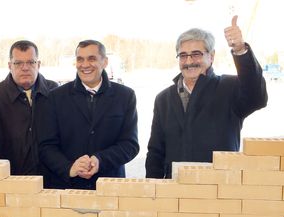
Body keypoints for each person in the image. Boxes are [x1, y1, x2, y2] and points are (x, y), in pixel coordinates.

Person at [145, 16, 268, 179]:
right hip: (174, 191)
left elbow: (257, 96)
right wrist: (154, 190)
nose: (189, 61)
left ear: (211, 56)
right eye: (183, 55)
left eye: (196, 54)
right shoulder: (164, 99)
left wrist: (240, 50)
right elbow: (156, 151)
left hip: (219, 189)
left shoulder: (230, 88)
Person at [37, 40, 139, 189]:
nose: (85, 65)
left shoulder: (125, 96)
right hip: (68, 186)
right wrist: (69, 167)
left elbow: (130, 145)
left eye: (91, 59)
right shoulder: (56, 97)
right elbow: (46, 146)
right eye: (80, 59)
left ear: (104, 62)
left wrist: (100, 160)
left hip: (110, 187)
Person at [0, 40, 58, 175]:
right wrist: (3, 174)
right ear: (10, 65)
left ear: (38, 65)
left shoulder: (54, 92)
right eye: (18, 63)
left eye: (30, 62)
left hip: (52, 180)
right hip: (12, 180)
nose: (25, 68)